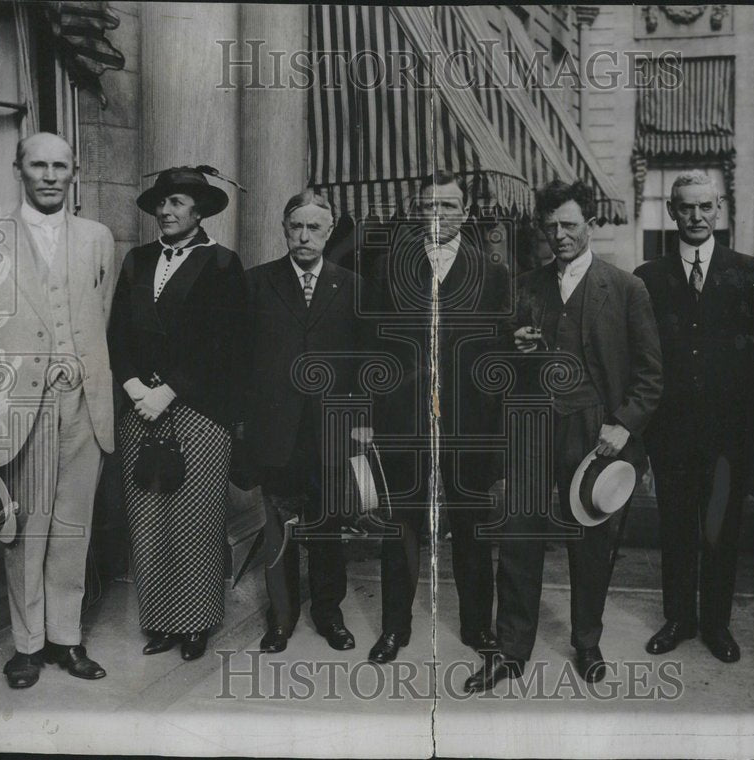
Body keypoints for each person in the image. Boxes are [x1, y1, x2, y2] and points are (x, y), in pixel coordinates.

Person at [464, 179, 663, 693]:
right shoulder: (526, 285)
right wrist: (515, 347)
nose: (560, 235)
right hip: (531, 424)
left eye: (570, 224)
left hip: (594, 427)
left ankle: (588, 642)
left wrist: (624, 424)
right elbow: (498, 365)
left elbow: (650, 374)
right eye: (551, 226)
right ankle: (511, 650)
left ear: (589, 225)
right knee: (519, 535)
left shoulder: (624, 288)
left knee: (592, 538)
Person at [0, 133, 116, 688]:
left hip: (83, 407)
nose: (48, 175)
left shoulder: (97, 238)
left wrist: (76, 366)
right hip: (14, 410)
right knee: (23, 532)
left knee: (72, 529)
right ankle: (27, 645)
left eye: (59, 166)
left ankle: (67, 637)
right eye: (37, 164)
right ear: (18, 168)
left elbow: (99, 318)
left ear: (74, 173)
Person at [367, 171, 510, 663]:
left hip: (468, 424)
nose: (439, 215)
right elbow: (374, 350)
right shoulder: (388, 267)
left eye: (449, 206)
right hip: (403, 423)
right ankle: (393, 629)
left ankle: (477, 628)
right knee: (400, 524)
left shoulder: (492, 272)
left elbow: (500, 358)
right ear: (414, 211)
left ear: (466, 213)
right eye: (429, 206)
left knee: (471, 525)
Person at [107, 166, 246, 662]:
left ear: (200, 210)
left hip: (197, 410)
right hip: (138, 407)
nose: (166, 211)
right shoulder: (137, 260)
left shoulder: (223, 264)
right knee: (147, 514)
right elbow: (116, 331)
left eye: (178, 203)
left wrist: (169, 391)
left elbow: (225, 348)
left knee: (194, 516)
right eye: (162, 203)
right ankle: (160, 620)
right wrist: (130, 385)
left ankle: (195, 622)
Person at [634, 170, 754, 664]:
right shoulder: (648, 278)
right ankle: (678, 620)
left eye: (705, 207)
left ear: (719, 210)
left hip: (729, 436)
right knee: (676, 528)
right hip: (670, 434)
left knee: (721, 529)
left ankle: (716, 625)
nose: (696, 216)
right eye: (686, 207)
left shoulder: (749, 273)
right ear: (671, 211)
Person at [243, 189, 374, 654]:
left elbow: (365, 362)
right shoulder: (257, 283)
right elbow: (243, 362)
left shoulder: (352, 285)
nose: (304, 236)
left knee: (327, 528)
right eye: (296, 226)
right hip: (276, 431)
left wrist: (360, 422)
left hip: (331, 429)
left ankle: (329, 614)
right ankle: (281, 618)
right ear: (284, 228)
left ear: (329, 231)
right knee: (277, 530)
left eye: (314, 227)